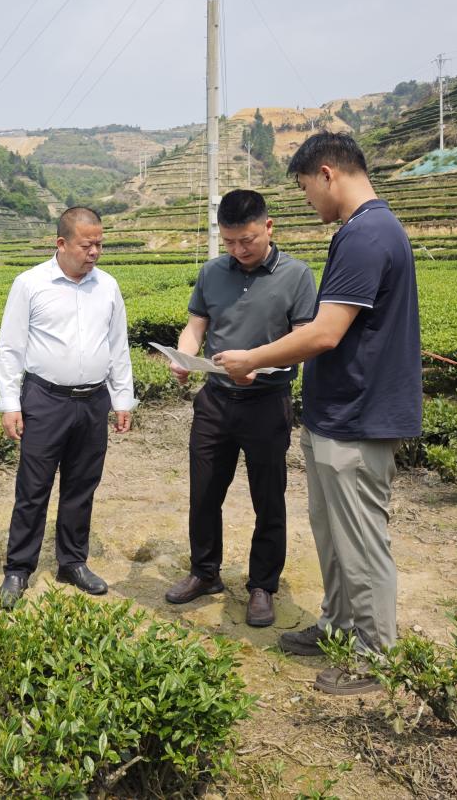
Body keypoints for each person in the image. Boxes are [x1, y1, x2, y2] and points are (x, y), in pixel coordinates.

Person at [212, 132, 422, 696]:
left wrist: (253, 358)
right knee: (332, 534)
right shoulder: (362, 232)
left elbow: (325, 333)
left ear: (327, 173)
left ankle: (376, 655)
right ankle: (338, 625)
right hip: (339, 414)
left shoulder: (366, 235)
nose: (308, 200)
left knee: (360, 541)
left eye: (305, 189)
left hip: (359, 416)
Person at [163, 190, 316, 628]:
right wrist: (183, 356)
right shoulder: (212, 272)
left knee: (268, 498)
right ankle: (204, 572)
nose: (238, 249)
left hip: (267, 402)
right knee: (204, 491)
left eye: (246, 239)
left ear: (268, 227)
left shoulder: (297, 275)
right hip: (214, 402)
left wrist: (259, 365)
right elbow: (196, 326)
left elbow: (304, 339)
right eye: (229, 241)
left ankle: (262, 586)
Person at [0, 206, 136, 609]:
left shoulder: (107, 287)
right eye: (87, 244)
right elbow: (10, 348)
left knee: (81, 486)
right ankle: (19, 568)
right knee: (33, 488)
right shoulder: (30, 284)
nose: (95, 252)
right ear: (61, 243)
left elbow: (117, 347)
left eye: (100, 244)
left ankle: (72, 562)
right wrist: (10, 403)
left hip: (93, 402)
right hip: (45, 400)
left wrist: (122, 398)